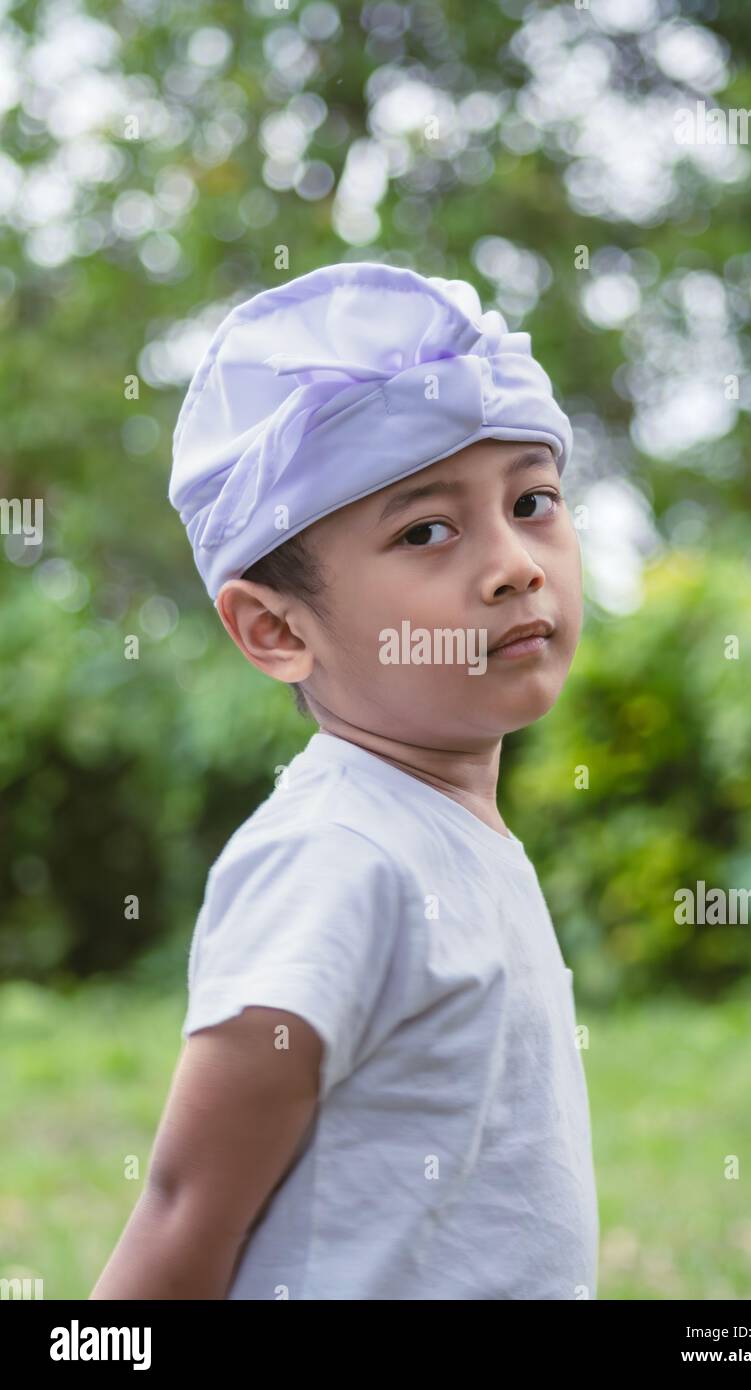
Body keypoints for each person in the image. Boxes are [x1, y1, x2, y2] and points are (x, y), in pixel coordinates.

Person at [90, 261, 599, 1300]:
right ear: (276, 630)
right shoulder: (337, 854)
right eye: (426, 530)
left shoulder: (452, 832)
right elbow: (186, 1208)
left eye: (532, 500)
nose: (514, 564)